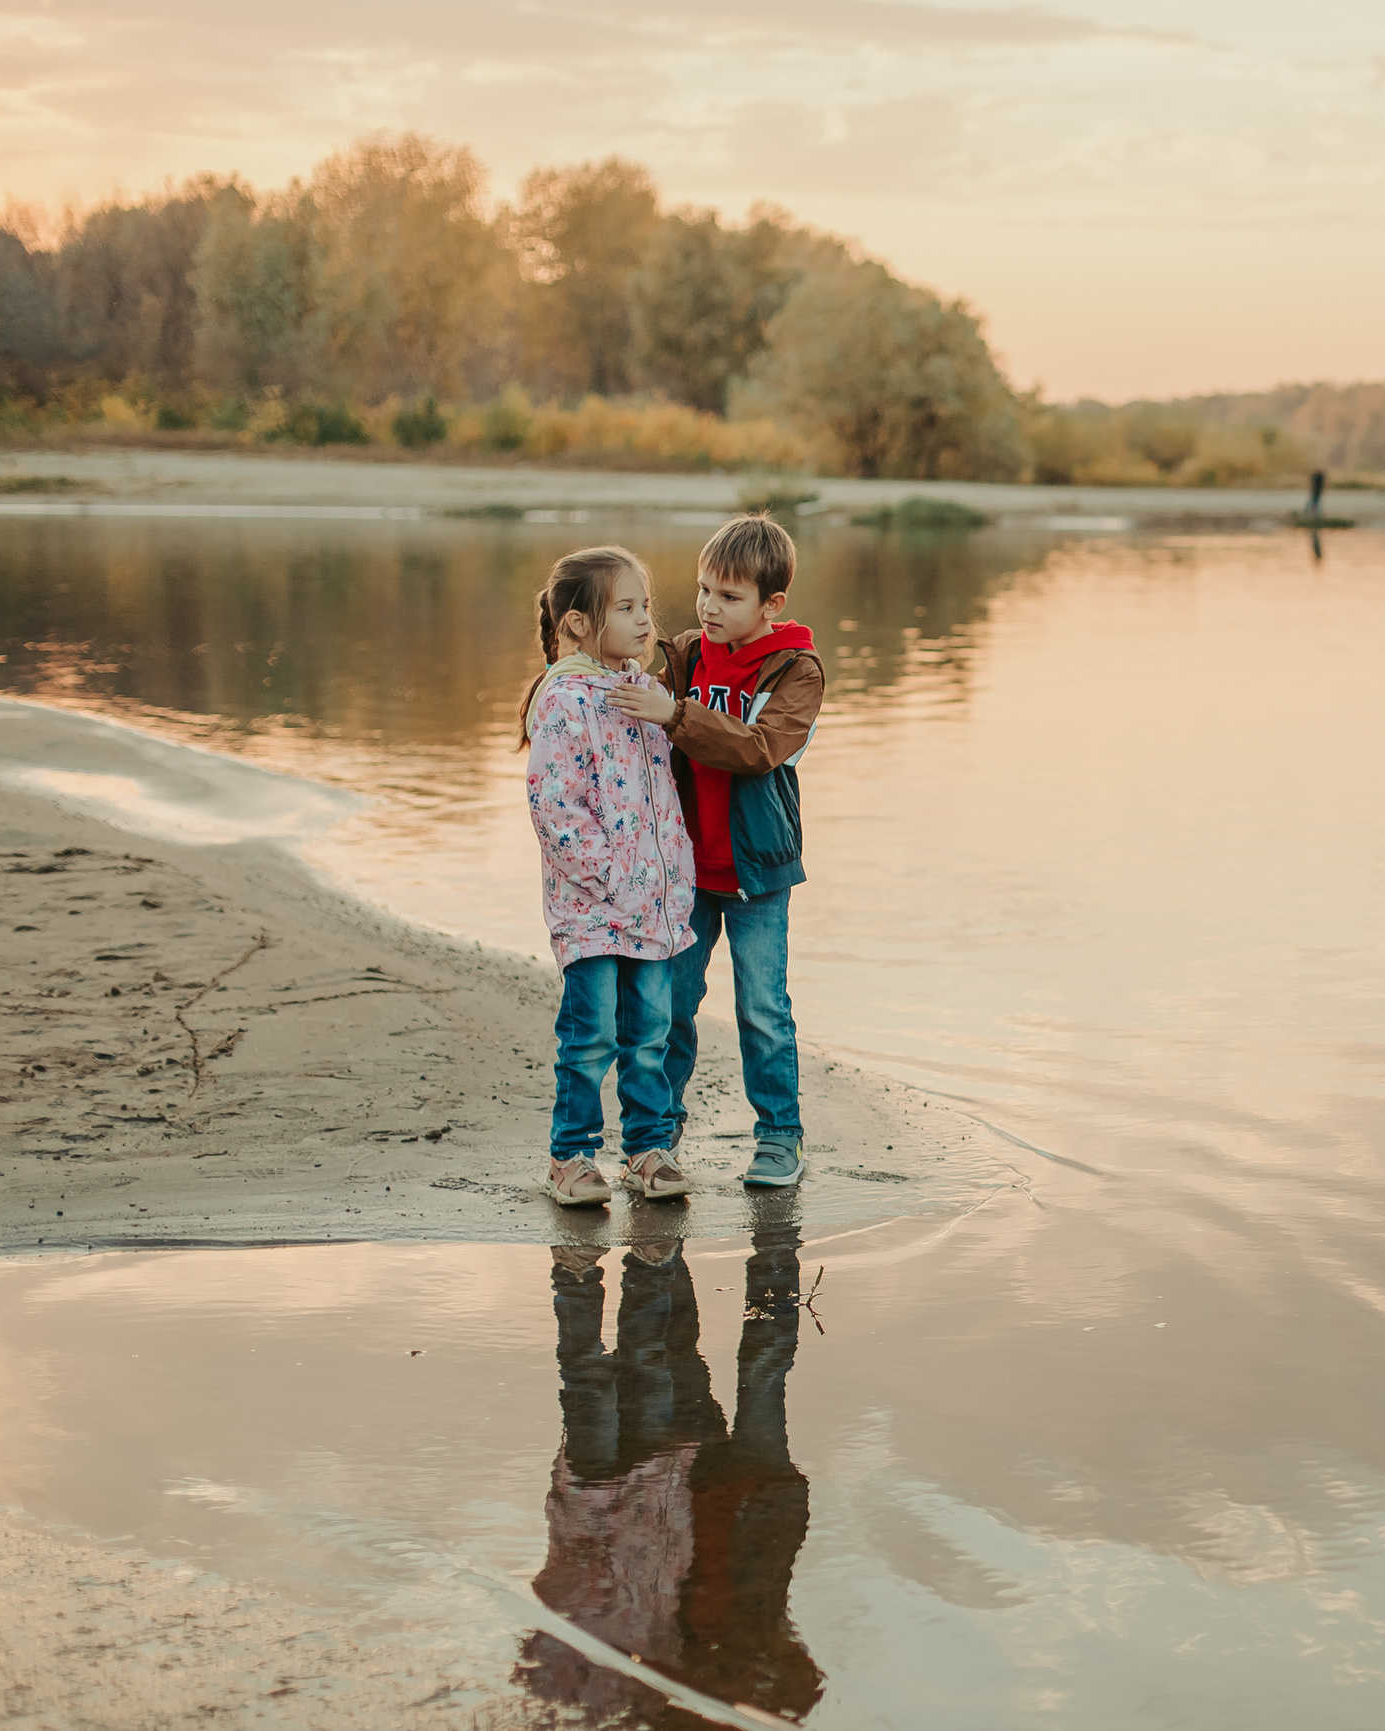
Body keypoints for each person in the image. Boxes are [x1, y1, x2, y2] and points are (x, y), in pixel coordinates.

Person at [521, 1228, 822, 1721]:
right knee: (736, 1361)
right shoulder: (704, 1655)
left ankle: (655, 1259)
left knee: (661, 1363)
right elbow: (800, 1680)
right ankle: (711, 1254)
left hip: (678, 1496)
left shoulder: (668, 1661)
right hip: (719, 1496)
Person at [611, 515, 823, 1190]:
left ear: (771, 605)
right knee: (669, 1002)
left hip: (757, 875)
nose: (708, 606)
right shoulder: (686, 655)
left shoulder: (796, 670)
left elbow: (759, 749)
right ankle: (658, 1133)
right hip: (686, 872)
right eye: (704, 590)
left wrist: (674, 715)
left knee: (762, 1009)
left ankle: (780, 1137)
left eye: (728, 597)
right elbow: (617, 677)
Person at [522, 547, 698, 1208]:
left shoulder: (645, 694)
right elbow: (553, 801)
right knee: (590, 1032)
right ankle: (570, 1156)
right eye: (626, 608)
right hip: (593, 907)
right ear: (576, 625)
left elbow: (662, 794)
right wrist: (608, 876)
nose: (644, 620)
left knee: (650, 1030)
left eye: (645, 606)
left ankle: (648, 1149)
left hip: (652, 902)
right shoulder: (566, 699)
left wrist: (669, 875)